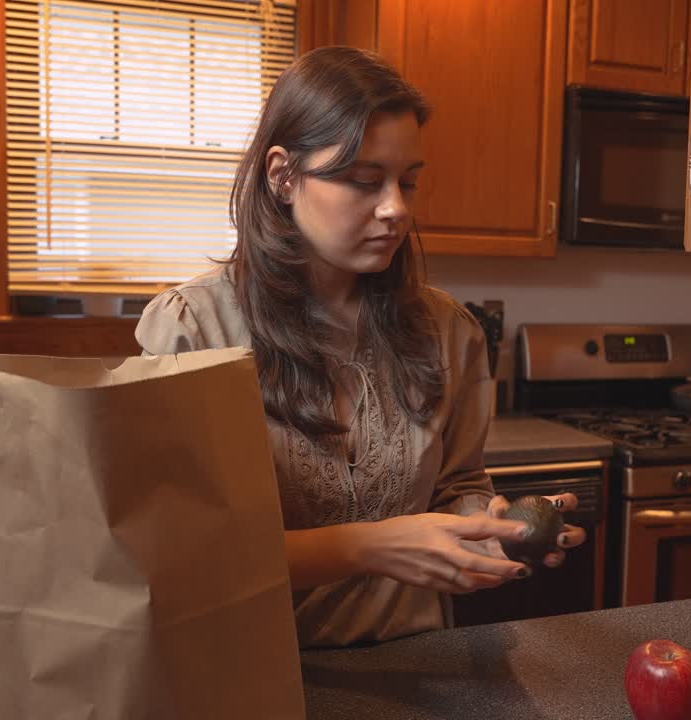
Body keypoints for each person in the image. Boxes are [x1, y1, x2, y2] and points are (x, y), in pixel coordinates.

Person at [135, 46, 585, 648]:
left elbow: (456, 487)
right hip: (250, 681)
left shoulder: (450, 331)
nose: (396, 208)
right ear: (282, 176)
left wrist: (489, 529)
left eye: (409, 182)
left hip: (417, 665)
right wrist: (370, 547)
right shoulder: (193, 331)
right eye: (363, 181)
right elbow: (177, 558)